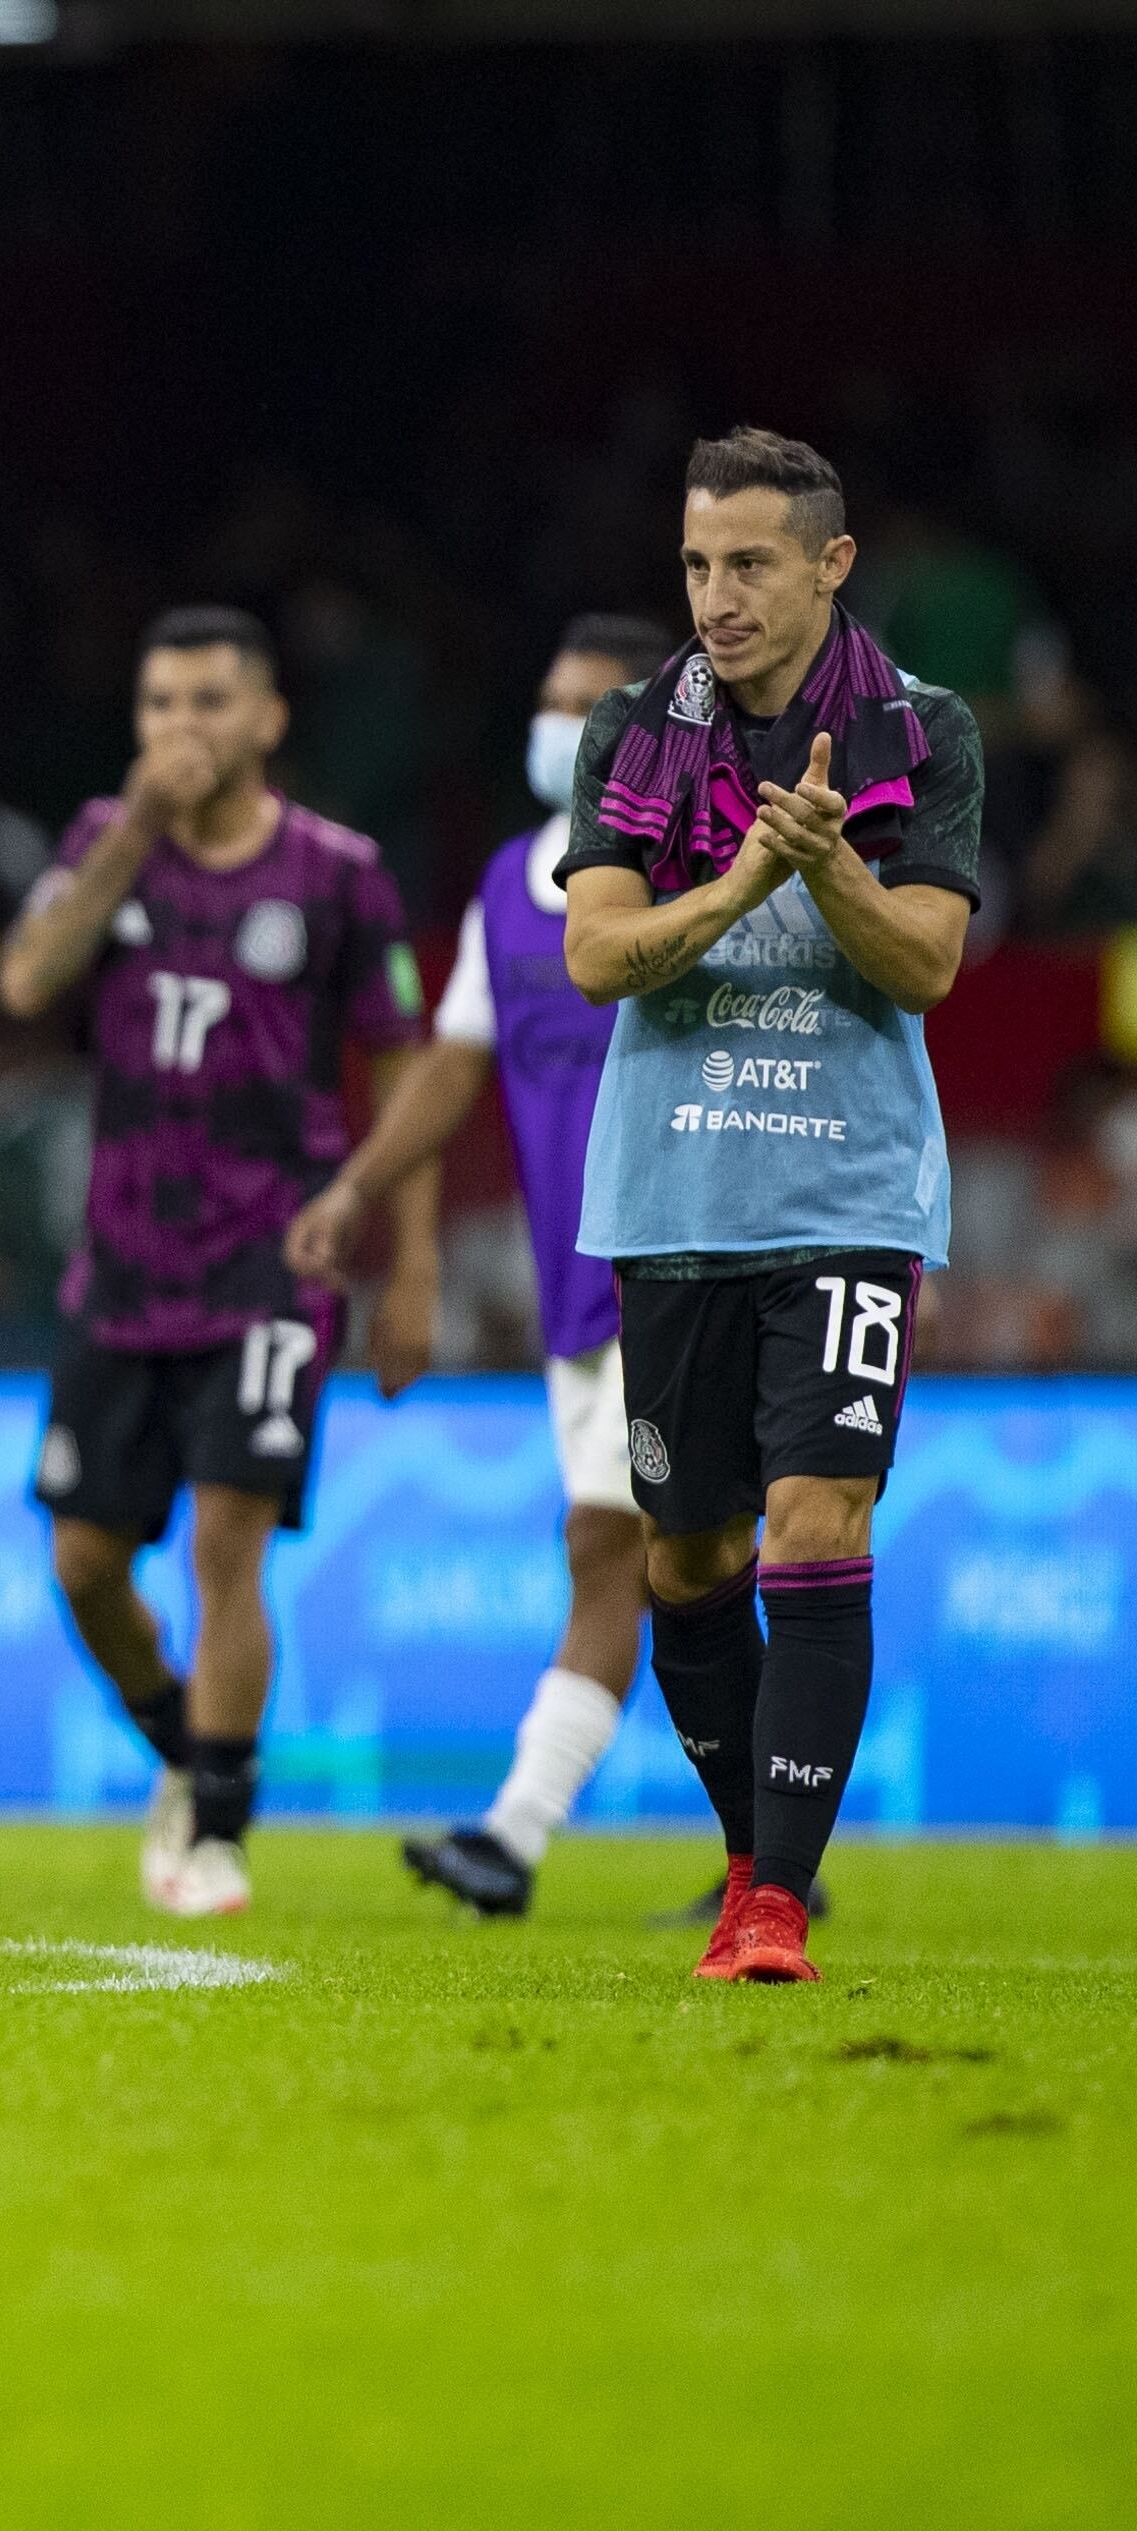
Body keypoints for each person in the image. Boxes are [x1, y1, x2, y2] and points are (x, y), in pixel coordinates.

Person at [558, 429, 981, 1986]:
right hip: (672, 1194)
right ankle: (747, 1855)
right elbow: (597, 956)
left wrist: (833, 872)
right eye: (695, 564)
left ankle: (775, 1905)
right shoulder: (631, 732)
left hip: (848, 1189)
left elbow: (927, 962)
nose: (717, 596)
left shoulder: (922, 732)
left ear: (830, 564)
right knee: (688, 1553)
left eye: (748, 563)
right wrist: (743, 881)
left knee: (816, 1518)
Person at [0, 606, 432, 1919]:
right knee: (84, 1562)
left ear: (268, 718)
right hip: (120, 1267)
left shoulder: (339, 873)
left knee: (227, 1546)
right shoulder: (97, 844)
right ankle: (187, 1753)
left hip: (270, 1260)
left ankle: (224, 1829)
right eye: (161, 704)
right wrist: (131, 829)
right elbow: (26, 983)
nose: (182, 728)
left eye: (208, 702)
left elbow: (407, 1061)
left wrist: (405, 1267)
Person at [289, 615, 673, 1920]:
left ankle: (512, 1836)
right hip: (577, 1289)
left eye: (588, 704)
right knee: (684, 1567)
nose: (559, 725)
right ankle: (772, 1858)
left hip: (677, 1268)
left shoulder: (691, 867)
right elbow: (454, 1066)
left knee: (610, 1548)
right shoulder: (510, 881)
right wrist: (357, 1184)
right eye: (549, 699)